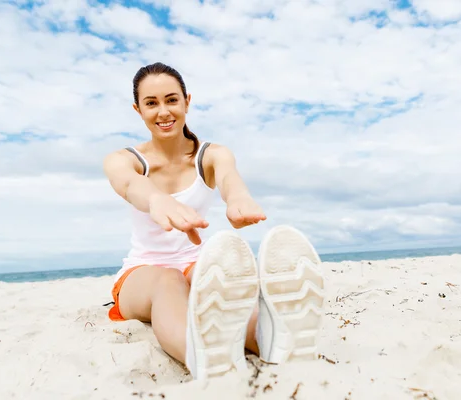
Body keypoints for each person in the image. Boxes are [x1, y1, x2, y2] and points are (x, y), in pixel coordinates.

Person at [103, 62, 326, 380]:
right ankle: (199, 352)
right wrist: (156, 200)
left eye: (171, 100)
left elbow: (228, 177)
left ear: (186, 102)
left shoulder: (211, 154)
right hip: (141, 276)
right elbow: (128, 183)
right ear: (138, 110)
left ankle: (268, 337)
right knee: (169, 279)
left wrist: (237, 199)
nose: (163, 111)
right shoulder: (123, 159)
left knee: (225, 286)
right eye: (151, 103)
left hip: (197, 263)